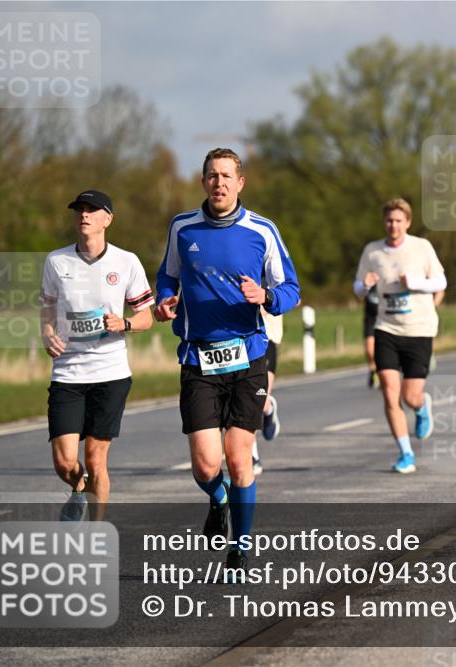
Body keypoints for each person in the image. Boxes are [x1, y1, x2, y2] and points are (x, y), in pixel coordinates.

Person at [155, 148, 301, 576]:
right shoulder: (182, 228)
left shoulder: (262, 230)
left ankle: (241, 546)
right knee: (205, 464)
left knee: (239, 458)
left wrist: (267, 297)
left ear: (240, 183)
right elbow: (169, 274)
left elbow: (290, 288)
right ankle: (217, 498)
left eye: (226, 176)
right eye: (212, 176)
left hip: (247, 355)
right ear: (203, 182)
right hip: (199, 357)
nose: (219, 183)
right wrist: (166, 299)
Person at [41, 190, 155, 522]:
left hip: (110, 372)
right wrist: (47, 333)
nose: (84, 215)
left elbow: (147, 316)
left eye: (92, 210)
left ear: (108, 219)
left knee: (95, 458)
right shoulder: (56, 261)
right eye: (79, 210)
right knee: (64, 462)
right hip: (67, 373)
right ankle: (78, 489)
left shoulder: (126, 261)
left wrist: (126, 323)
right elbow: (47, 306)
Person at [354, 198, 446, 474]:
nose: (393, 225)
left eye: (398, 220)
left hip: (419, 329)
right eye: (389, 220)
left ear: (407, 222)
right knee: (389, 393)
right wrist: (364, 285)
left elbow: (441, 281)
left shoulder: (421, 247)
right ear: (385, 223)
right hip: (387, 329)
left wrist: (415, 283)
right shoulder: (373, 251)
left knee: (410, 395)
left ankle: (421, 406)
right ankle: (405, 453)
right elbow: (357, 289)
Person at [252, 307, 283, 476]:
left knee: (260, 401)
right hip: (238, 341)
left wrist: (266, 299)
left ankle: (269, 408)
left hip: (266, 338)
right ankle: (252, 456)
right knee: (243, 403)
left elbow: (294, 296)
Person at [363, 285, 380, 387]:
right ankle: (373, 369)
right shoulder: (368, 276)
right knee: (369, 350)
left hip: (386, 318)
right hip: (371, 319)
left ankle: (381, 371)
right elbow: (358, 292)